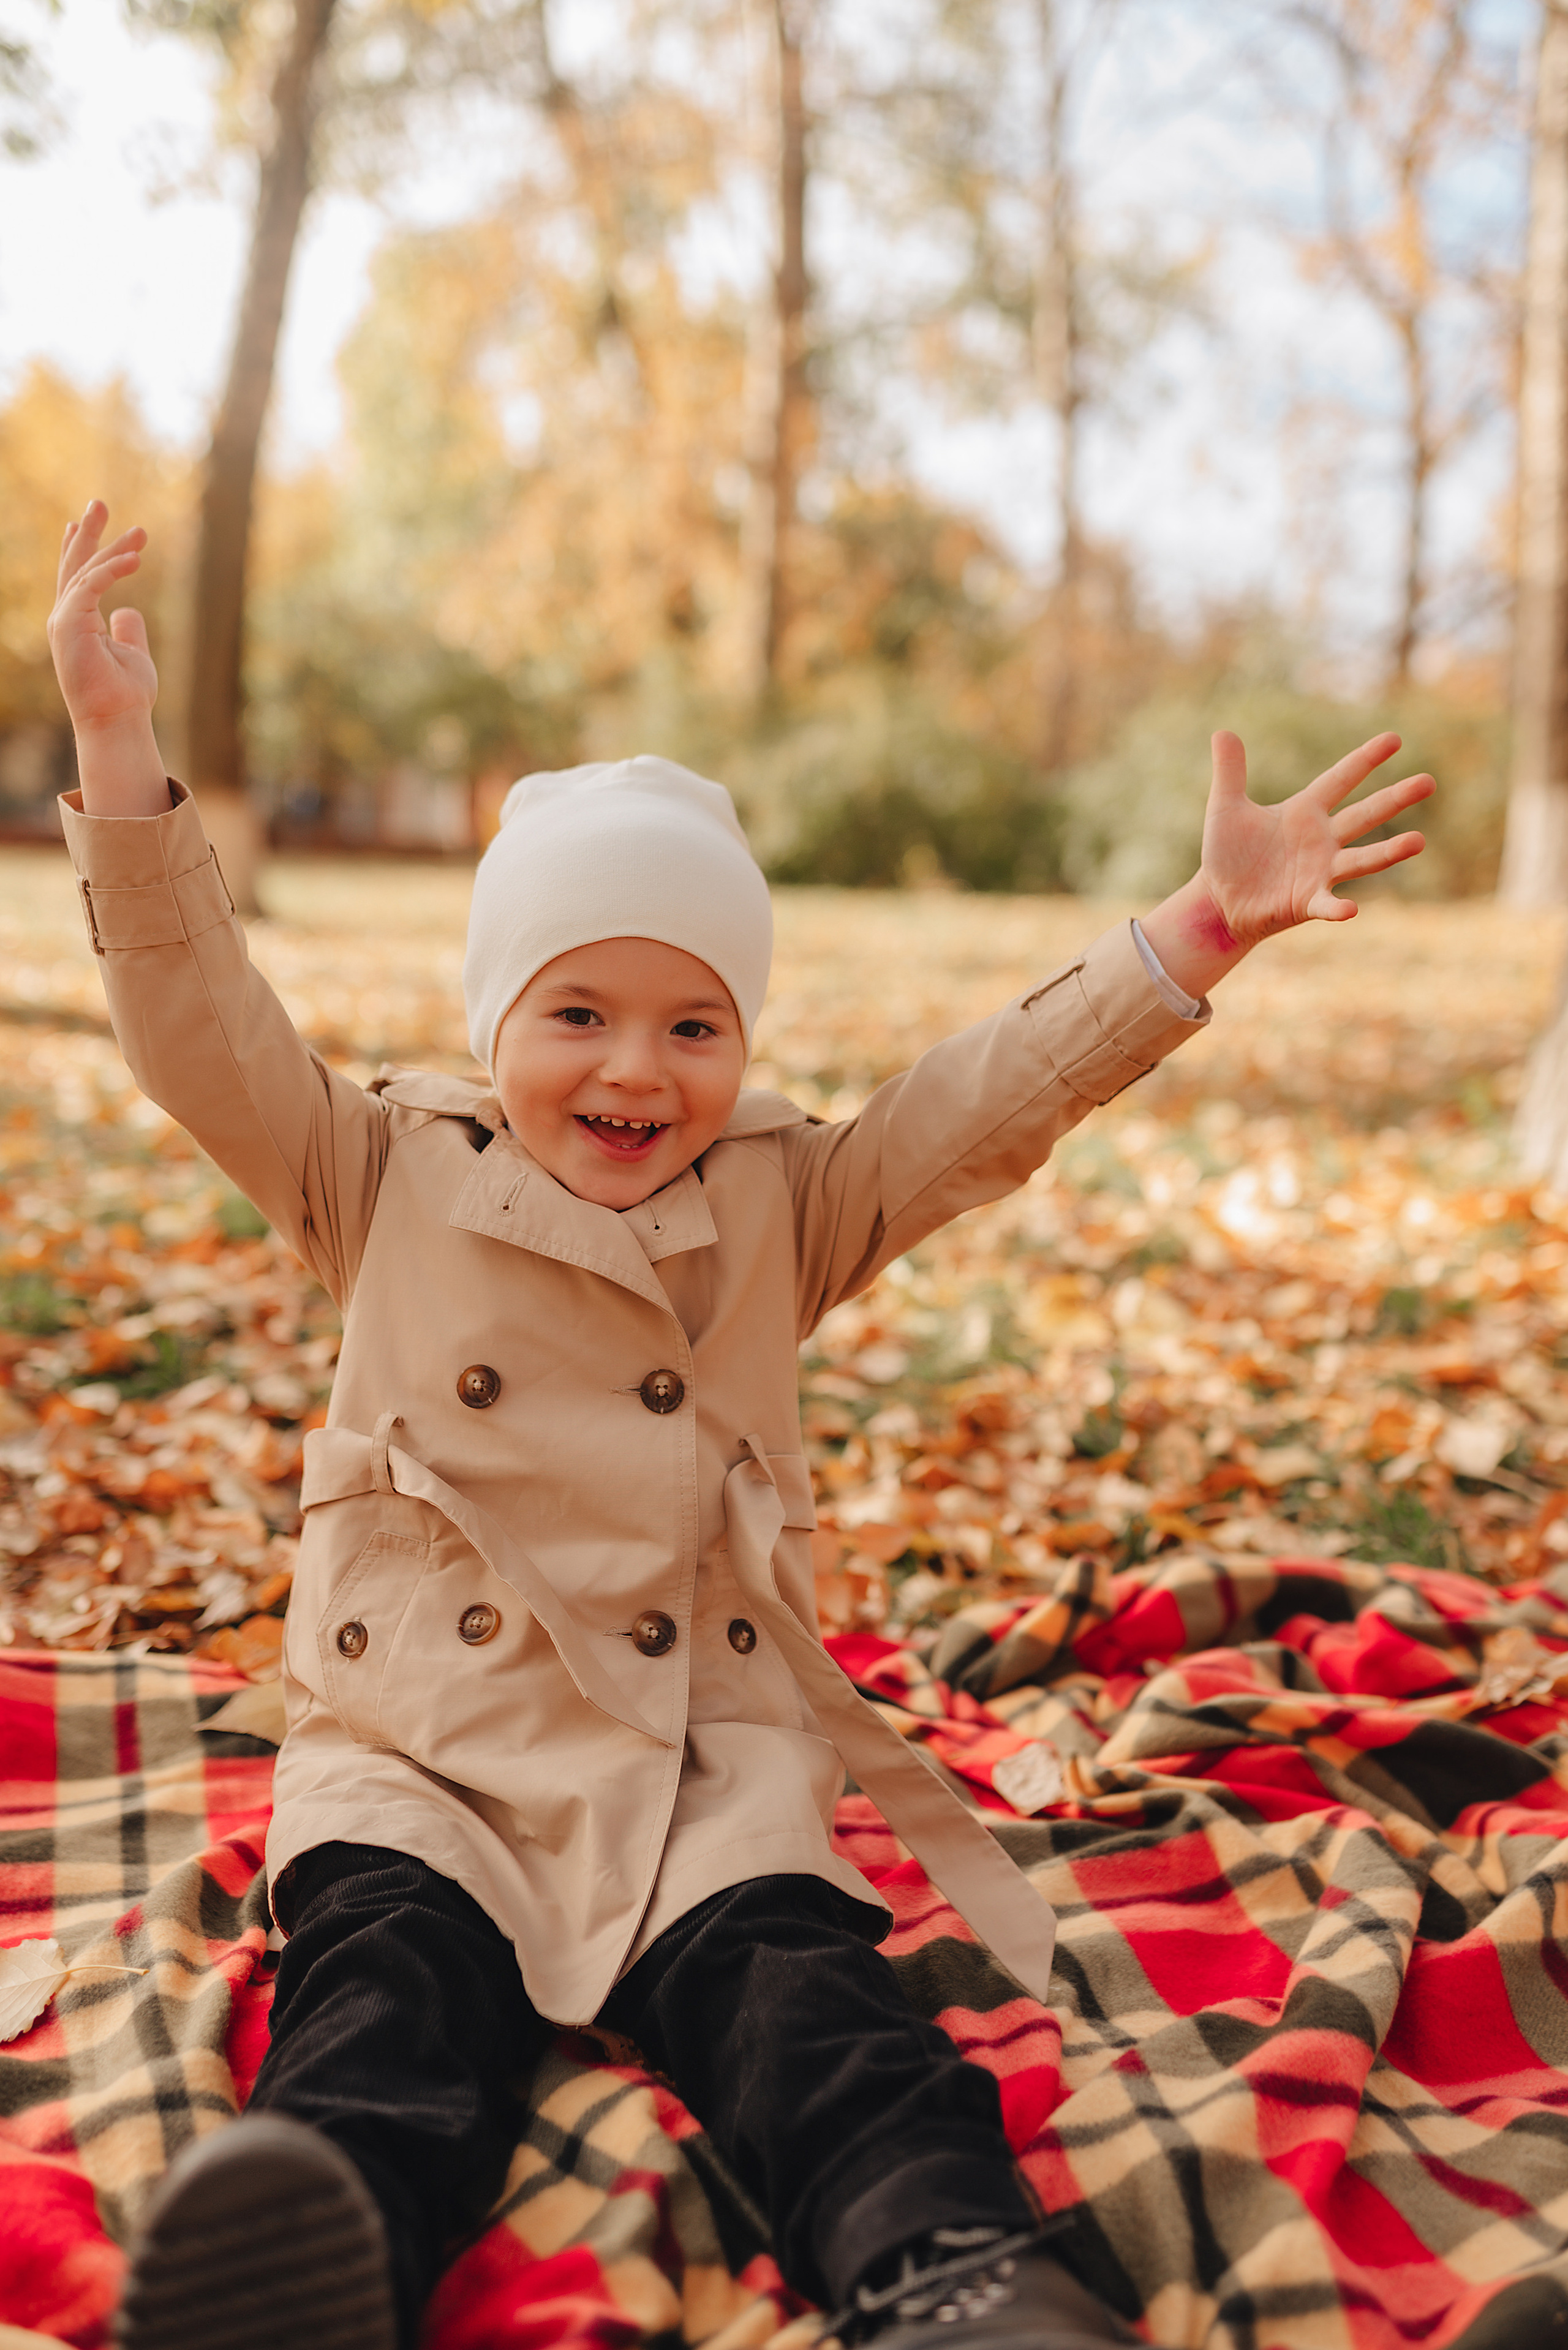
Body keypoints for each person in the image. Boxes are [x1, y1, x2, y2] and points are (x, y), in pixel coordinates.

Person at [47, 502, 1433, 2350]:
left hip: (703, 1744)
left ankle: (953, 2273)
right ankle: (314, 2265)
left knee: (814, 2010)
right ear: (496, 1021)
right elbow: (197, 1020)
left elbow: (975, 1105)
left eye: (698, 1025)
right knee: (383, 2005)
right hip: (421, 1748)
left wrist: (1187, 940)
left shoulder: (786, 1200)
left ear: (743, 1042)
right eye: (581, 1012)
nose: (638, 1068)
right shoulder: (371, 1167)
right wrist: (124, 755)